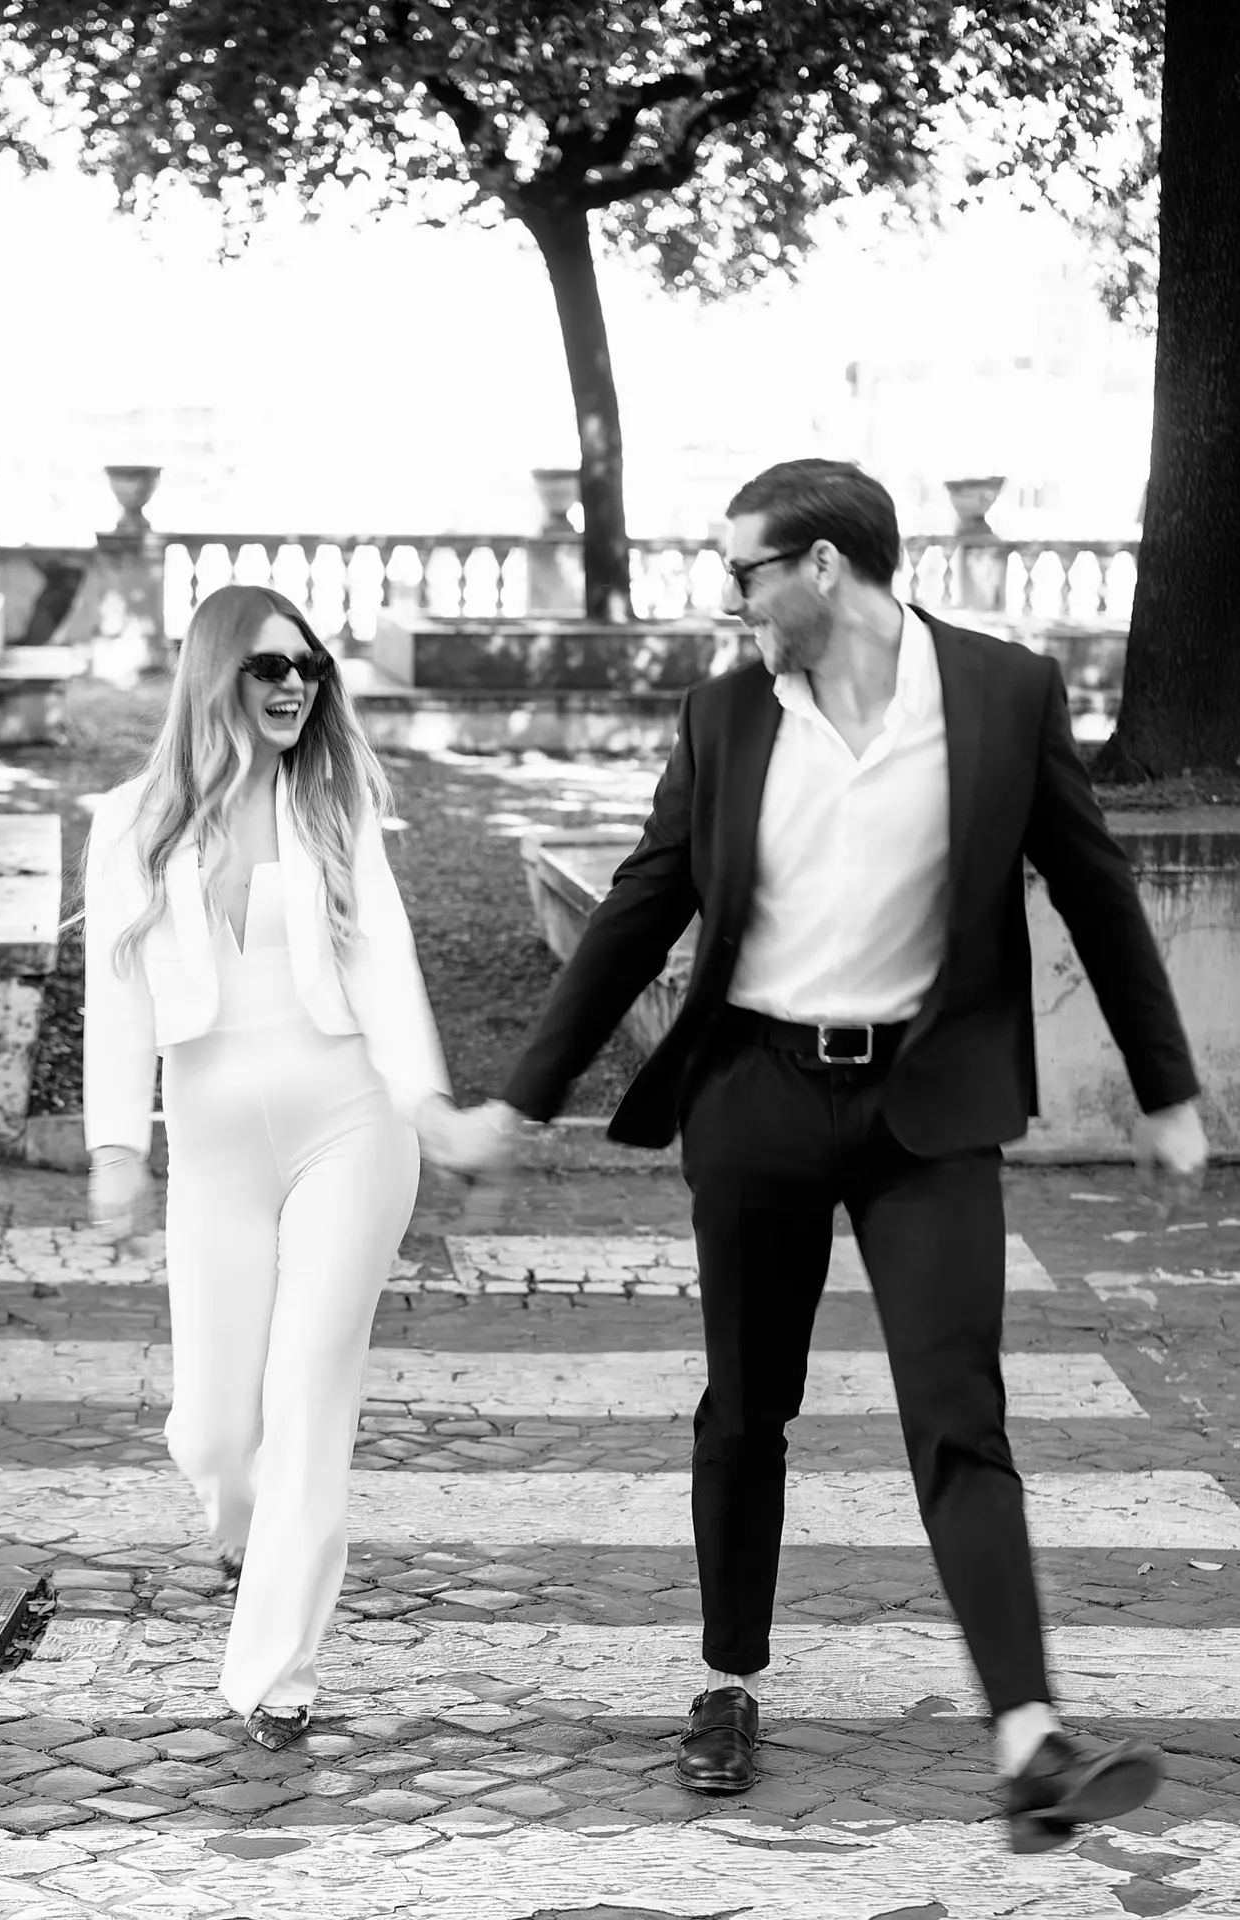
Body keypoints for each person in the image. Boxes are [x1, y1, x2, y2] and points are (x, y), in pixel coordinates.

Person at [446, 459, 1209, 1852]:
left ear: (820, 567)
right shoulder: (727, 715)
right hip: (758, 1098)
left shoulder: (998, 695)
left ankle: (1028, 1737)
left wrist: (1166, 1092)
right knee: (748, 1405)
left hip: (928, 1109)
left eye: (741, 570)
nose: (727, 599)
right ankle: (727, 1678)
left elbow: (1096, 889)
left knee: (959, 1413)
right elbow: (638, 907)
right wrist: (522, 1099)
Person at [81, 583, 476, 1750]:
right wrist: (117, 1146)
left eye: (307, 666)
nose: (294, 684)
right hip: (213, 1147)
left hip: (350, 1126)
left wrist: (426, 1100)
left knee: (308, 1400)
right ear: (214, 676)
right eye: (267, 666)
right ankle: (245, 1529)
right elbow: (117, 996)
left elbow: (387, 962)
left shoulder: (331, 804)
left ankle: (276, 1676)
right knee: (211, 1431)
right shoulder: (130, 821)